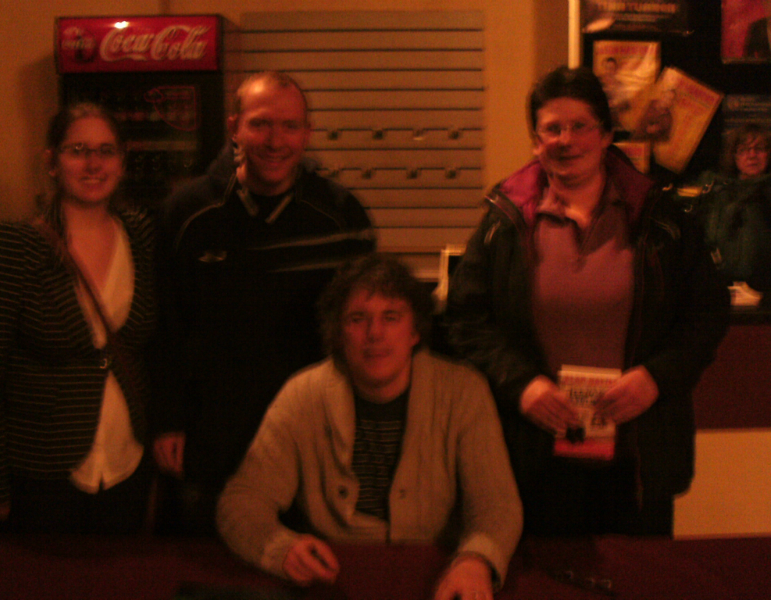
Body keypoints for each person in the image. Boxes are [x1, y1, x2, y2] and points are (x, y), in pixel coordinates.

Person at [445, 66, 730, 536]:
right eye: (552, 128)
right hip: (533, 451)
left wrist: (657, 377)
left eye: (580, 126)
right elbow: (465, 320)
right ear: (536, 142)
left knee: (638, 579)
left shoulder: (661, 219)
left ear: (605, 135)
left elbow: (706, 314)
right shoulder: (504, 222)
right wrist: (522, 385)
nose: (566, 140)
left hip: (637, 451)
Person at [217, 253, 522, 600]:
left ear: (414, 331)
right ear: (339, 333)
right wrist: (280, 548)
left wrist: (476, 560)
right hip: (332, 582)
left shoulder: (464, 391)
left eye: (390, 317)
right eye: (357, 319)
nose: (374, 334)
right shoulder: (302, 395)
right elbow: (241, 502)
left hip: (435, 576)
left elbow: (497, 507)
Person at [151, 71, 375, 533]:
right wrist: (167, 420)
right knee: (206, 568)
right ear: (234, 128)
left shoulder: (342, 215)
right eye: (260, 124)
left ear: (307, 134)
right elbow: (166, 326)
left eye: (290, 126)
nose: (276, 141)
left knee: (300, 564)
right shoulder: (187, 213)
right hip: (210, 433)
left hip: (310, 435)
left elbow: (363, 331)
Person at [0, 103, 157, 533]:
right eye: (78, 150)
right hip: (42, 472)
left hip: (127, 463)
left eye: (106, 151)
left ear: (122, 161)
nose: (93, 164)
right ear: (51, 161)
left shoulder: (142, 233)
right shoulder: (16, 246)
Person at [696, 124, 771, 291]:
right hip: (721, 287)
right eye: (744, 150)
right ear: (734, 156)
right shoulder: (719, 193)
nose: (752, 155)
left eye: (759, 149)